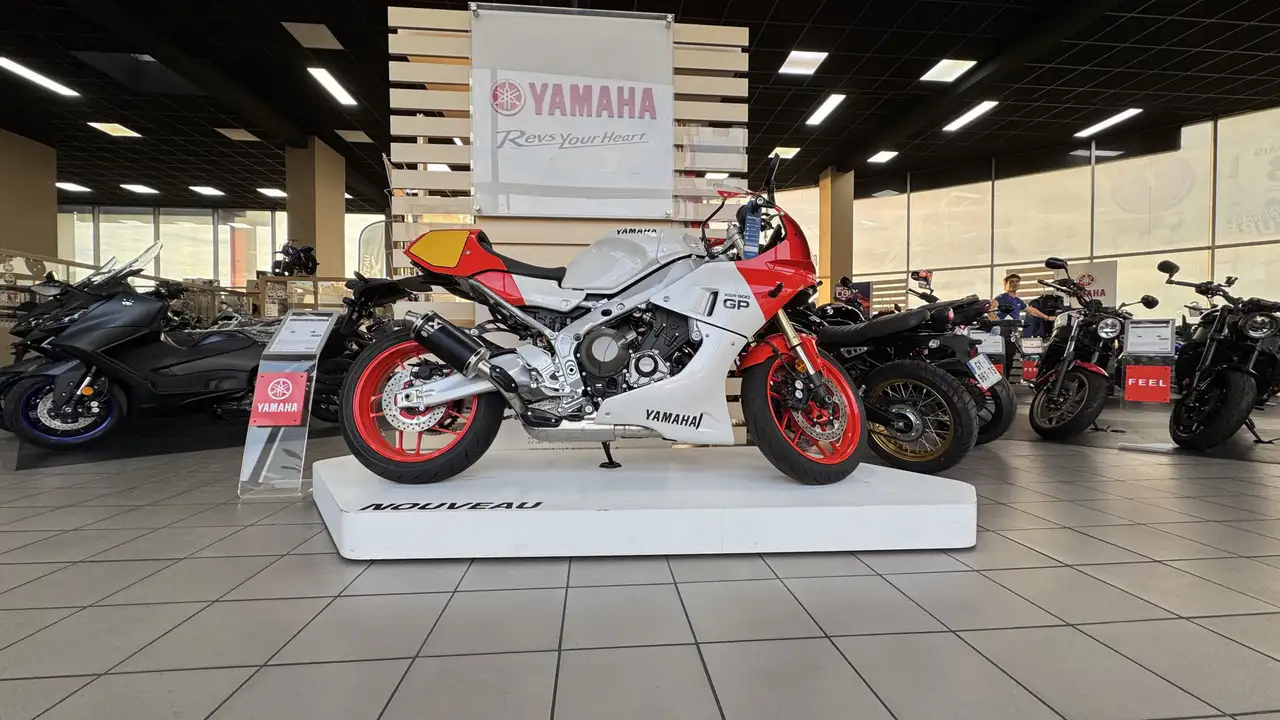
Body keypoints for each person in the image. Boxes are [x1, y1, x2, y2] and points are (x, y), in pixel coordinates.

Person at [989, 274, 1056, 377]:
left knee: (1009, 360)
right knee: (1001, 360)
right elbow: (990, 309)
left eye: (1017, 281)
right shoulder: (1002, 297)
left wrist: (1047, 317)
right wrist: (997, 322)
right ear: (1005, 284)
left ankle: (1006, 382)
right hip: (1002, 335)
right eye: (1011, 282)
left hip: (1012, 335)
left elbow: (1032, 311)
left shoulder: (1018, 301)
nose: (1014, 284)